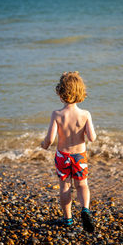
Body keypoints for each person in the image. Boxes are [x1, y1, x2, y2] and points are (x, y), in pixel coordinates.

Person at [41, 71, 96, 233]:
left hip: (62, 156)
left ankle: (68, 219)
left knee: (65, 187)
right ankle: (85, 210)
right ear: (81, 92)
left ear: (60, 93)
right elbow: (92, 138)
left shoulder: (57, 114)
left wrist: (43, 144)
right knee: (82, 185)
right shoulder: (85, 114)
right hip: (80, 156)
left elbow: (50, 139)